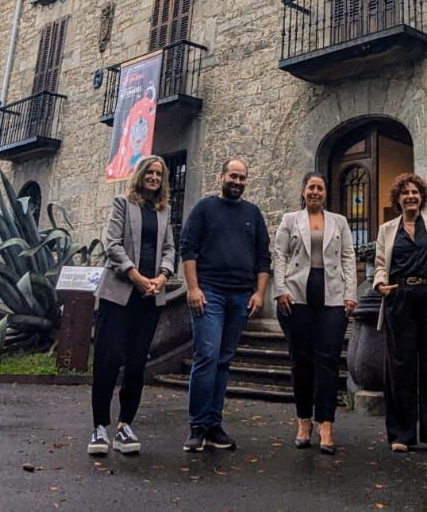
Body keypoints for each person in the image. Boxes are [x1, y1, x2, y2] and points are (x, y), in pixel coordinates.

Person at [179, 158, 270, 453]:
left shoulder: (253, 214)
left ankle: (214, 425)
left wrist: (259, 293)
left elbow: (263, 258)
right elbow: (188, 248)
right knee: (206, 356)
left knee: (223, 360)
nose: (238, 182)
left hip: (241, 297)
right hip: (210, 295)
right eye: (233, 176)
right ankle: (197, 426)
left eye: (243, 178)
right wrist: (193, 288)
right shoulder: (204, 209)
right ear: (222, 177)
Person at [88, 155, 176, 456]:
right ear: (140, 175)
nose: (154, 177)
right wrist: (136, 276)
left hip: (150, 297)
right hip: (120, 295)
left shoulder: (164, 211)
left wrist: (162, 277)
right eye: (149, 172)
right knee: (109, 360)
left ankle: (125, 425)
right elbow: (112, 244)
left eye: (158, 174)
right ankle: (99, 427)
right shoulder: (122, 204)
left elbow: (169, 248)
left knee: (137, 363)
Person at [373, 172, 427, 454]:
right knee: (400, 367)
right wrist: (380, 285)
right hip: (400, 300)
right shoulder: (387, 229)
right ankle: (401, 434)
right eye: (405, 193)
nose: (411, 196)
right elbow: (380, 263)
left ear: (422, 197)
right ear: (398, 199)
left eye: (415, 192)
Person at [272, 172, 356, 454]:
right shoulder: (289, 220)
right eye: (311, 187)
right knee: (301, 360)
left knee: (328, 360)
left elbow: (348, 257)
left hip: (332, 296)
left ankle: (326, 423)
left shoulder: (339, 222)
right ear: (304, 190)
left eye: (320, 188)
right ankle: (304, 421)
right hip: (296, 296)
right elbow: (279, 255)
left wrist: (350, 296)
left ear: (325, 192)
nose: (315, 192)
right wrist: (280, 288)